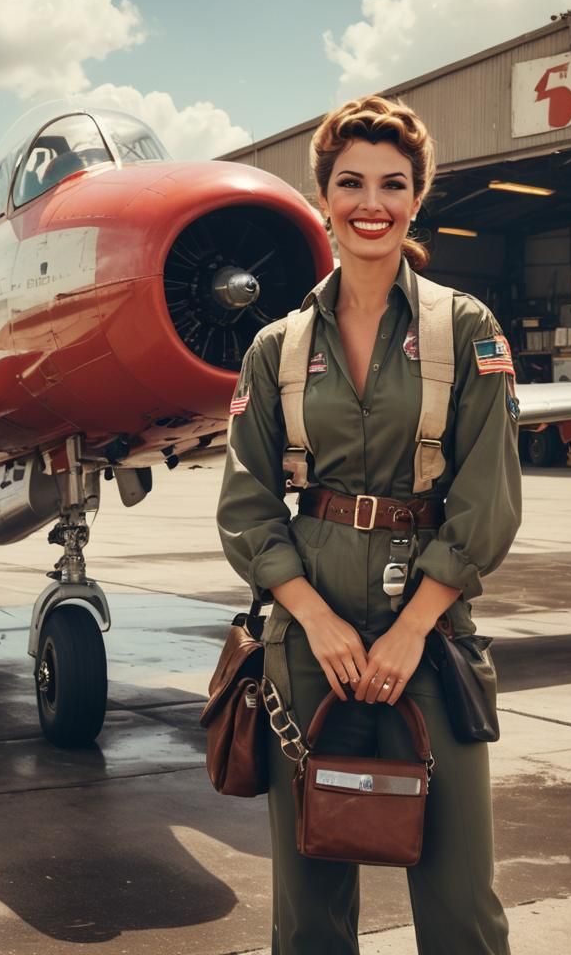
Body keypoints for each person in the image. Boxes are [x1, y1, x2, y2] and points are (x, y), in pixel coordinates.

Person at [216, 95, 521, 955]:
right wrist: (312, 620)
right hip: (305, 651)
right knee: (308, 912)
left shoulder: (466, 331)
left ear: (418, 198)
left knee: (461, 907)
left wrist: (412, 630)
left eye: (393, 183)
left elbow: (487, 497)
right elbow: (245, 504)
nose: (371, 203)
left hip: (432, 644)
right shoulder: (275, 348)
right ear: (324, 195)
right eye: (350, 182)